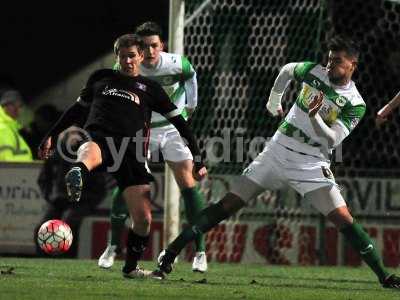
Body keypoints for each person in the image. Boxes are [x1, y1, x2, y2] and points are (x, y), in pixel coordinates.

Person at [153, 36, 400, 289]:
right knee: (227, 205)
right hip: (276, 150)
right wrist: (275, 99)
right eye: (329, 59)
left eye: (337, 61)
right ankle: (169, 254)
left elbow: (333, 140)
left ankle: (385, 277)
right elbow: (287, 70)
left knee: (344, 220)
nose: (329, 65)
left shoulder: (355, 103)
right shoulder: (314, 72)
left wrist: (315, 117)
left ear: (352, 65)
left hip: (311, 162)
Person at [38, 33, 207, 278]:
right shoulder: (101, 78)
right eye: (123, 56)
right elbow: (76, 110)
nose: (127, 61)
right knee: (89, 149)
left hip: (132, 151)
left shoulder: (151, 89)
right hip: (102, 138)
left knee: (143, 220)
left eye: (132, 56)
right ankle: (79, 172)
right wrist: (51, 135)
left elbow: (181, 124)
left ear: (139, 57)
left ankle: (130, 268)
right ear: (116, 57)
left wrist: (198, 157)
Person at [98, 21, 208, 273]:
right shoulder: (126, 66)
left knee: (188, 185)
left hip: (171, 129)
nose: (150, 52)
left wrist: (191, 104)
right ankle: (113, 246)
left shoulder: (176, 63)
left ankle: (200, 251)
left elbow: (191, 75)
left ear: (162, 45)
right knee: (128, 185)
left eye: (155, 46)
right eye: (145, 46)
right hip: (142, 130)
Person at [35, 127, 109, 258]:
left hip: (82, 202)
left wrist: (88, 200)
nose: (73, 139)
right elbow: (43, 179)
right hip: (59, 202)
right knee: (41, 229)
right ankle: (44, 259)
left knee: (68, 224)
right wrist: (50, 197)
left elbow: (100, 187)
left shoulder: (90, 157)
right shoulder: (55, 156)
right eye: (69, 135)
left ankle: (66, 258)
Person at [0, 89, 33, 161]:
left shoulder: (10, 127)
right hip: (14, 171)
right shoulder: (3, 129)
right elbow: (6, 161)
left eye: (20, 106)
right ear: (6, 106)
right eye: (16, 106)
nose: (19, 110)